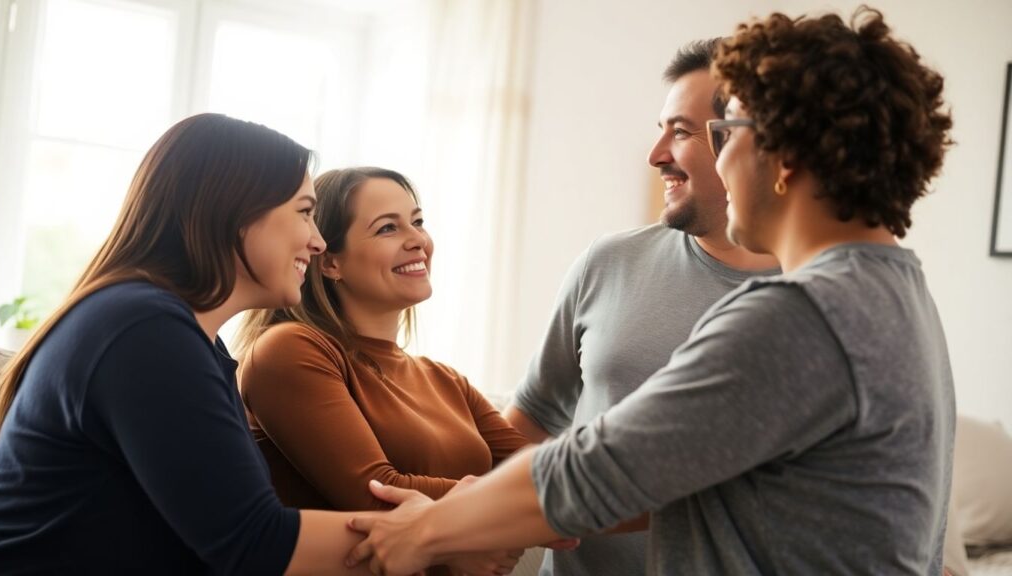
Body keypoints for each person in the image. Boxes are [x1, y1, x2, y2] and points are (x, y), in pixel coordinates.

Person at [345, 6, 956, 575]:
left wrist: (425, 531)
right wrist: (483, 513)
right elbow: (686, 481)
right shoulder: (900, 296)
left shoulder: (802, 315)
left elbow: (599, 470)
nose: (720, 155)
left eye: (726, 132)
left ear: (784, 153)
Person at [0, 113, 375, 574]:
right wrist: (436, 534)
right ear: (235, 212)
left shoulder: (188, 341)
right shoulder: (143, 330)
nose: (317, 241)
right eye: (305, 212)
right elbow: (256, 543)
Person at [503, 38, 778, 576]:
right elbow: (530, 419)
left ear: (744, 142)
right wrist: (482, 525)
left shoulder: (810, 311)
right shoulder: (608, 262)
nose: (656, 155)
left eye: (679, 132)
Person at [233, 167, 530, 574]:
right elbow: (375, 492)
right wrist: (508, 508)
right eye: (388, 228)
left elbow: (544, 476)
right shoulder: (290, 349)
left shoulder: (446, 380)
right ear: (330, 262)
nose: (418, 241)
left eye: (419, 221)